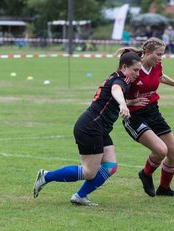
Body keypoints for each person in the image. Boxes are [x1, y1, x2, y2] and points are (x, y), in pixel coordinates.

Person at [33, 50, 142, 206]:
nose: (137, 74)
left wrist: (129, 103)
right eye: (135, 70)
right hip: (91, 126)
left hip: (99, 127)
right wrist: (123, 104)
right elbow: (115, 90)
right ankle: (46, 176)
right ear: (124, 67)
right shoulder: (121, 80)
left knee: (110, 166)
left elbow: (110, 98)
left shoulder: (120, 77)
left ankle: (80, 196)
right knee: (89, 172)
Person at [120, 37, 174, 197]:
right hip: (135, 116)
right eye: (158, 54)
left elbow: (160, 76)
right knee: (161, 151)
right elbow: (115, 92)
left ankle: (164, 188)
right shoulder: (133, 68)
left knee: (173, 154)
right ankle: (146, 174)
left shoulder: (156, 65)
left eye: (162, 55)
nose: (160, 59)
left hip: (153, 111)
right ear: (146, 53)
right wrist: (131, 101)